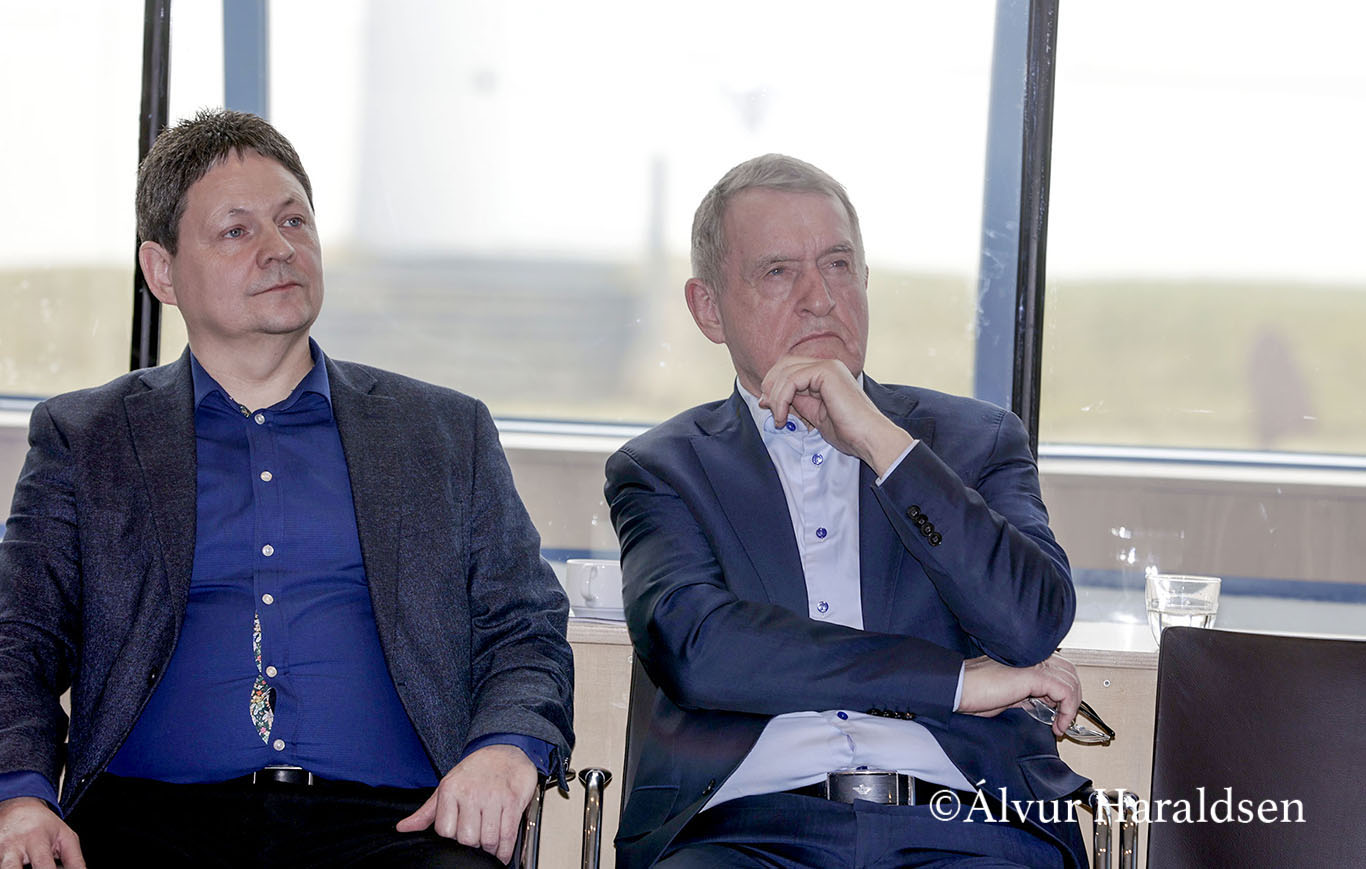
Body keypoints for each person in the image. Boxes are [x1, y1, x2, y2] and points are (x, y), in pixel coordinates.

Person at [0, 109, 574, 869]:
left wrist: (505, 747)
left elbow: (525, 625)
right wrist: (20, 795)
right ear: (162, 271)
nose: (279, 248)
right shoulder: (87, 438)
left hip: (397, 827)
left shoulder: (442, 432)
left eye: (294, 220)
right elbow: (18, 638)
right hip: (144, 822)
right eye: (237, 230)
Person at [604, 154, 1091, 868]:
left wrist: (883, 445)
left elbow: (1033, 621)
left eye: (837, 265)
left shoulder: (976, 440)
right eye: (778, 271)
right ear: (708, 308)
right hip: (745, 832)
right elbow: (700, 650)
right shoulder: (663, 468)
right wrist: (955, 682)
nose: (820, 298)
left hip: (967, 825)